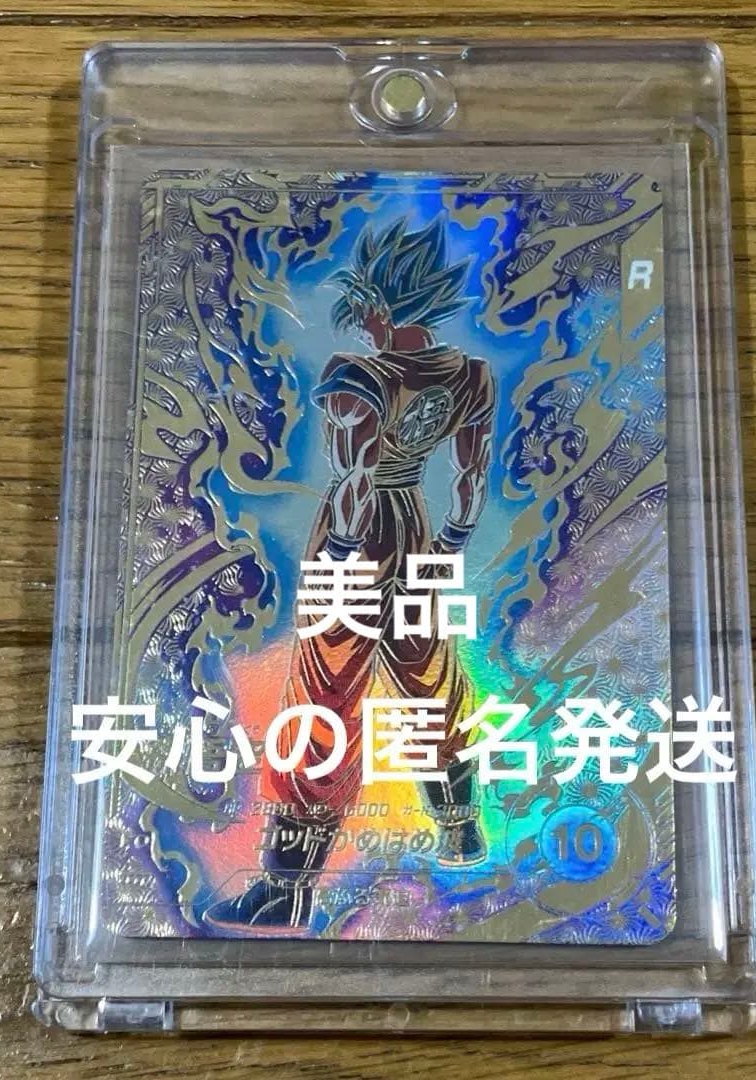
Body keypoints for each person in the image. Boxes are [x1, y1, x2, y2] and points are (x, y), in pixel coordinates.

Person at [205, 217, 496, 933]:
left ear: (386, 308)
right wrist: (449, 542)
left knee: (323, 692)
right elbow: (470, 478)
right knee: (428, 671)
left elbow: (356, 476)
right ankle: (461, 831)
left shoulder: (356, 375)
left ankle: (287, 888)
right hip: (416, 527)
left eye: (366, 306)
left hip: (358, 531)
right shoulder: (469, 376)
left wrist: (339, 551)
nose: (361, 320)